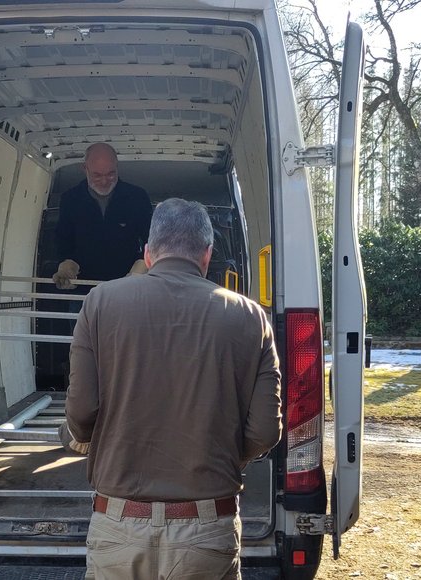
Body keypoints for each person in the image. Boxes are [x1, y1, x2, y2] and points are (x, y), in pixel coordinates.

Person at [65, 198, 282, 579]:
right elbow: (265, 431)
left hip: (119, 527)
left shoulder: (99, 303)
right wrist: (217, 455)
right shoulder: (251, 317)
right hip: (207, 529)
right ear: (207, 254)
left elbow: (81, 417)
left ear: (148, 253)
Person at [53, 143, 153, 289]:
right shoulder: (70, 199)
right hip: (84, 287)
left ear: (117, 167)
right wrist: (66, 265)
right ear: (85, 168)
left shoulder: (138, 197)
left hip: (127, 285)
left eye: (110, 174)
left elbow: (151, 241)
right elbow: (63, 240)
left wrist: (141, 267)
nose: (104, 181)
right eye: (97, 175)